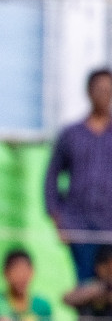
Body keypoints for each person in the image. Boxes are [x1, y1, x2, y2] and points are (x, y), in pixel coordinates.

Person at [45, 68, 112, 286]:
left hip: (109, 225)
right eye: (99, 90)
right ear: (88, 92)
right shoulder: (71, 134)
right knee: (85, 284)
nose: (104, 95)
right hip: (78, 225)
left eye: (108, 90)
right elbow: (51, 177)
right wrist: (58, 219)